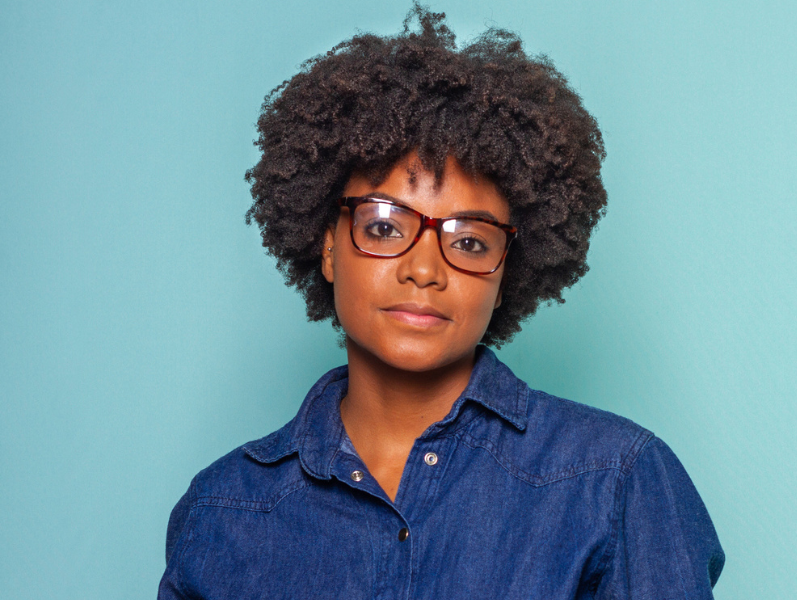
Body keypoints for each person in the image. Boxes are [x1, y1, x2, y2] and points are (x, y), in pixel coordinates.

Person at [158, 6, 724, 599]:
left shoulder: (615, 480)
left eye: (470, 241)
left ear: (505, 273)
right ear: (327, 246)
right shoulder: (222, 512)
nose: (424, 270)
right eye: (383, 227)